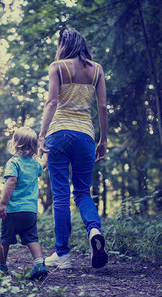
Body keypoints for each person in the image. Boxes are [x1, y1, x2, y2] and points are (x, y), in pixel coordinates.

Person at [38, 28, 109, 269]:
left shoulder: (57, 67)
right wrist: (103, 140)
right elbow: (102, 106)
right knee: (82, 192)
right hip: (86, 136)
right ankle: (94, 231)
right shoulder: (97, 70)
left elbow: (52, 101)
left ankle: (63, 255)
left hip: (58, 134)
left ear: (63, 44)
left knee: (60, 194)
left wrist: (41, 135)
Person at [0, 127, 49, 280]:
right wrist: (45, 152)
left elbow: (11, 181)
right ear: (33, 147)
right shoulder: (34, 164)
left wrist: (3, 203)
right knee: (32, 238)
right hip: (30, 211)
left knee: (4, 239)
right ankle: (39, 263)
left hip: (13, 210)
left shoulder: (13, 162)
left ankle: (1, 266)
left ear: (15, 144)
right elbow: (44, 164)